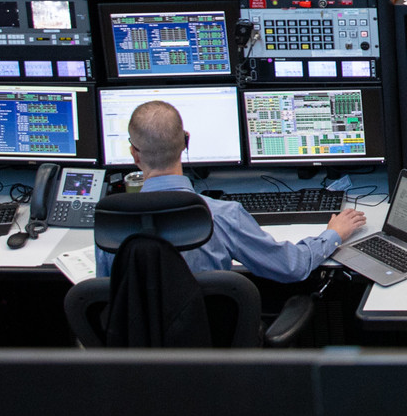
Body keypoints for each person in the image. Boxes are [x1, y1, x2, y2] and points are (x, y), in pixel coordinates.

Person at [97, 100, 363, 282]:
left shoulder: (112, 224)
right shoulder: (221, 215)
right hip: (209, 349)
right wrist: (333, 234)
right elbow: (292, 266)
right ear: (186, 142)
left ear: (134, 153)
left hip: (134, 359)